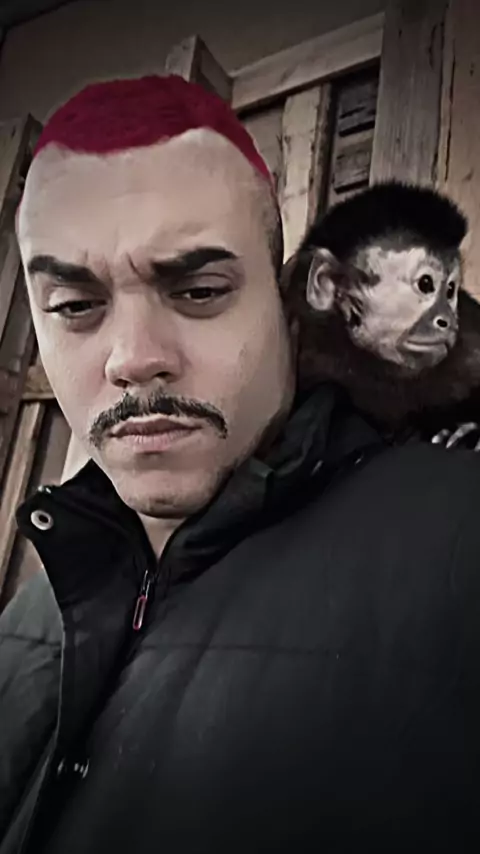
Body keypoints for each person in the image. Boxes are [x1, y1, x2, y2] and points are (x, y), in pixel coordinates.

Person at [1, 74, 480, 854]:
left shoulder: (459, 538)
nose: (134, 359)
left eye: (199, 290)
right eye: (76, 306)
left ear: (286, 306)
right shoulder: (34, 608)